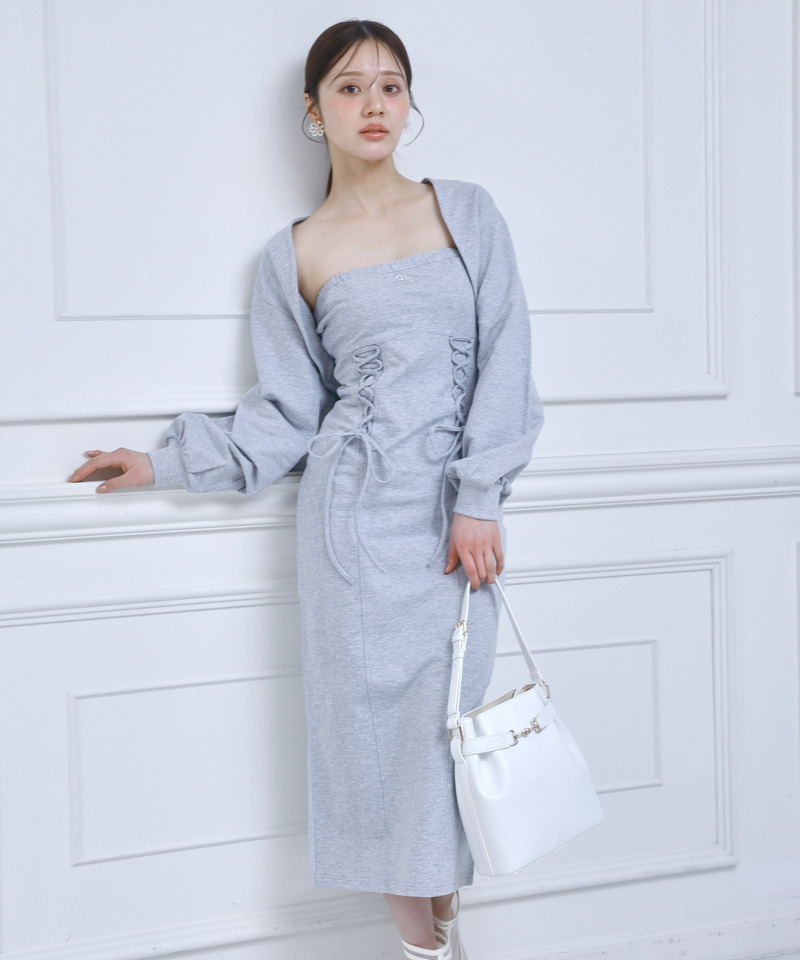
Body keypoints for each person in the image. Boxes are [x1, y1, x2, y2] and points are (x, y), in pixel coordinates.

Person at [68, 20, 544, 960]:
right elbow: (286, 414)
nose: (374, 105)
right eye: (350, 87)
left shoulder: (467, 213)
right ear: (314, 109)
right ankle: (429, 951)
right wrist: (164, 462)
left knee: (442, 753)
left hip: (449, 533)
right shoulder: (294, 253)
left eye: (391, 86)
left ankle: (447, 934)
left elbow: (509, 359)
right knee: (375, 764)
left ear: (409, 103)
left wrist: (479, 496)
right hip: (350, 537)